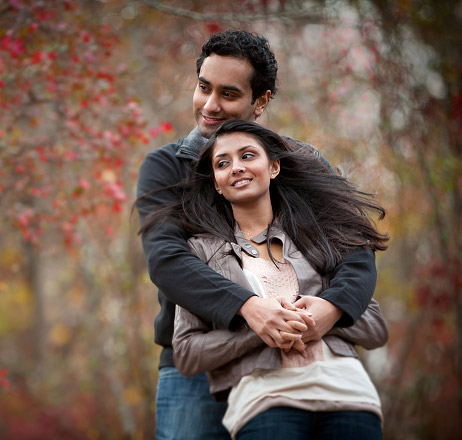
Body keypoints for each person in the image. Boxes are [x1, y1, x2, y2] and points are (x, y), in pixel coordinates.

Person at [136, 30, 378, 439]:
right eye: (203, 87)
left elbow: (356, 247)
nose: (210, 106)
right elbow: (167, 261)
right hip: (195, 367)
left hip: (295, 364)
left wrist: (332, 308)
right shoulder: (165, 168)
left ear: (260, 101)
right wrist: (248, 306)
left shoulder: (300, 163)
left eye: (228, 94)